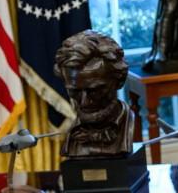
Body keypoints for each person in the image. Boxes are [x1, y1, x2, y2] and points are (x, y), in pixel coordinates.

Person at [54, 30, 133, 158]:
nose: (85, 102)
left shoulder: (128, 126)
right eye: (75, 91)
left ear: (119, 81)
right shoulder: (72, 137)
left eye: (95, 91)